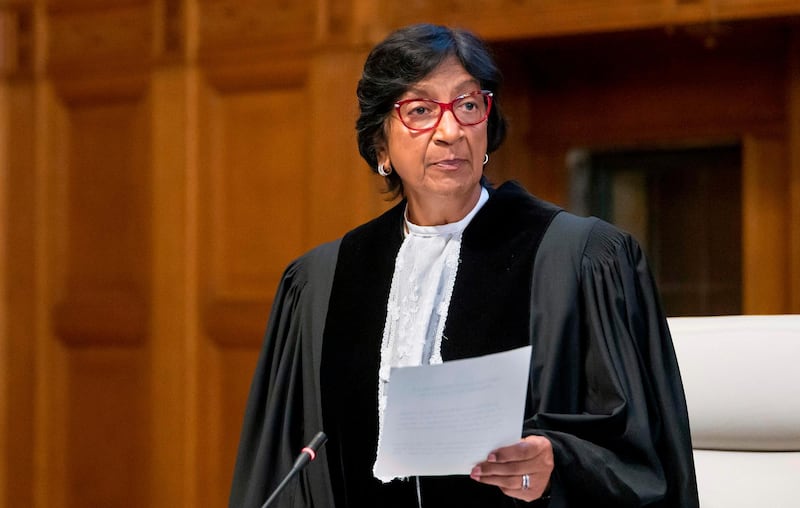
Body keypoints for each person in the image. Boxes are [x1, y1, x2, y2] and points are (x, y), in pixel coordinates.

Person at [229, 23, 699, 508]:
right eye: (420, 110)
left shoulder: (580, 260)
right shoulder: (322, 283)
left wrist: (557, 462)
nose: (450, 131)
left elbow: (643, 462)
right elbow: (282, 475)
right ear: (381, 147)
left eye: (468, 105)